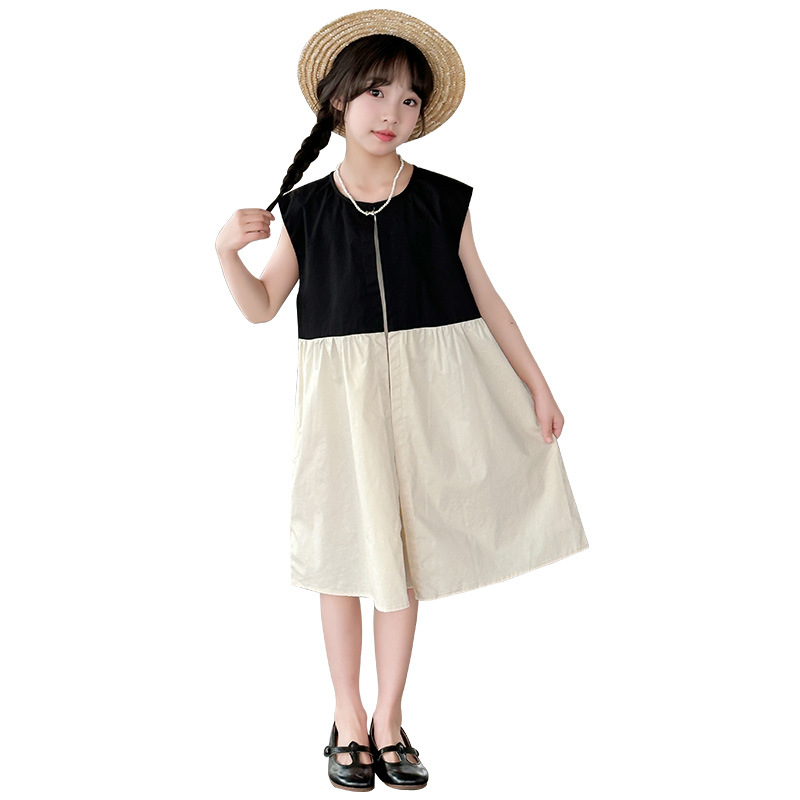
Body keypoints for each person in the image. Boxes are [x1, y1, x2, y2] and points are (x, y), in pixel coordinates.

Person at [215, 9, 589, 792]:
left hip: (431, 405)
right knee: (342, 556)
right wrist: (225, 253)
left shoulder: (443, 200)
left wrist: (538, 384)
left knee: (405, 559)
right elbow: (261, 307)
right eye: (377, 92)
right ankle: (347, 716)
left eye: (410, 99)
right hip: (340, 410)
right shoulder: (306, 211)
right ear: (339, 101)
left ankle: (389, 718)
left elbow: (489, 302)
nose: (393, 111)